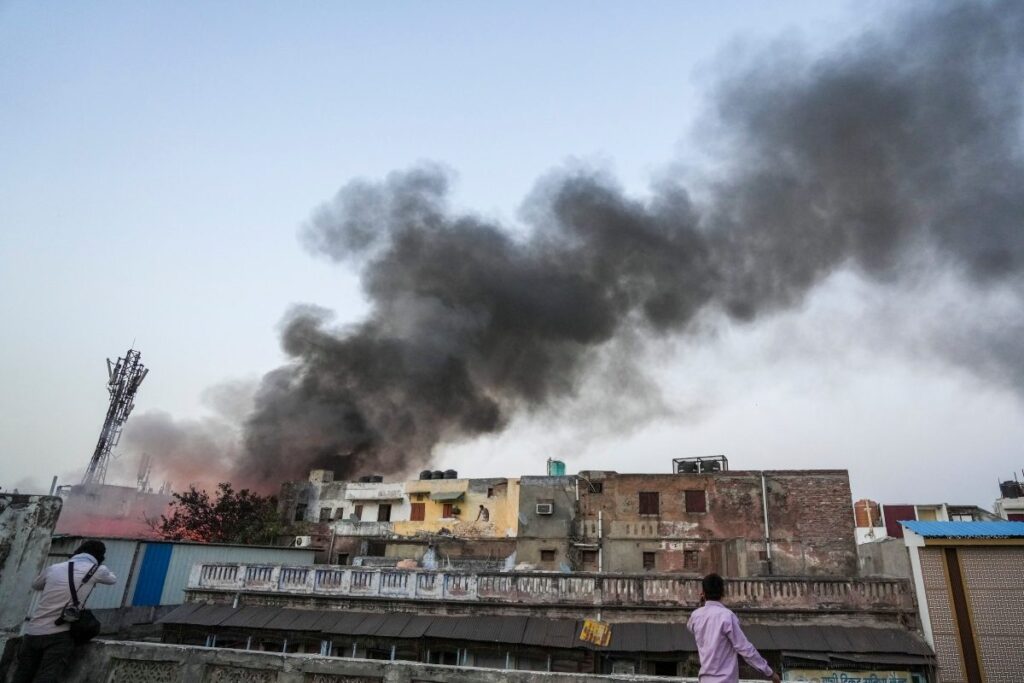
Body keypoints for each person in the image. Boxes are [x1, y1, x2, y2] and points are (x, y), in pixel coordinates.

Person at [13, 540, 117, 683]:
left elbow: (36, 585)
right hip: (60, 633)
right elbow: (112, 580)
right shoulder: (97, 570)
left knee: (22, 674)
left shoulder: (54, 568)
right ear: (100, 556)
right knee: (46, 676)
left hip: (33, 631)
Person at [686, 573, 780, 683]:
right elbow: (745, 649)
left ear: (703, 593)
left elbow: (691, 627)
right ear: (723, 593)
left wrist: (703, 604)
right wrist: (769, 672)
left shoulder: (695, 616)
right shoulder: (727, 616)